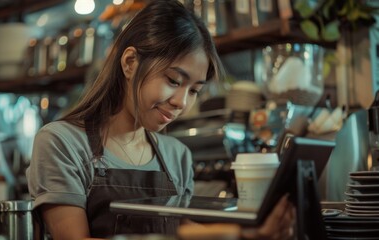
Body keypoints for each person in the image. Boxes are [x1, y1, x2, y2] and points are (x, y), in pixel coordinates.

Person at [26, 0, 295, 239]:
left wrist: (250, 234)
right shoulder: (62, 143)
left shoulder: (176, 155)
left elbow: (182, 229)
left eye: (194, 90)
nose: (182, 102)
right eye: (173, 80)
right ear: (130, 62)